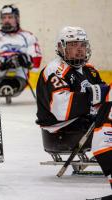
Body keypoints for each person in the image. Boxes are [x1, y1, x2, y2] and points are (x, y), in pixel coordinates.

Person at [35, 26, 112, 198]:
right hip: (62, 130)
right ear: (61, 47)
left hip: (81, 122)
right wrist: (97, 94)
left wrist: (101, 96)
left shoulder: (89, 70)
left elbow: (105, 97)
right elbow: (62, 109)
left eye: (82, 44)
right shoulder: (54, 70)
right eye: (73, 45)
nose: (79, 49)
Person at [0, 4, 42, 102]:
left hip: (21, 76)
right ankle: (3, 86)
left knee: (20, 64)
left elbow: (36, 64)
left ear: (17, 19)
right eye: (4, 17)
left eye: (10, 17)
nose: (6, 20)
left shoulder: (28, 36)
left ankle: (11, 86)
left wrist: (26, 60)